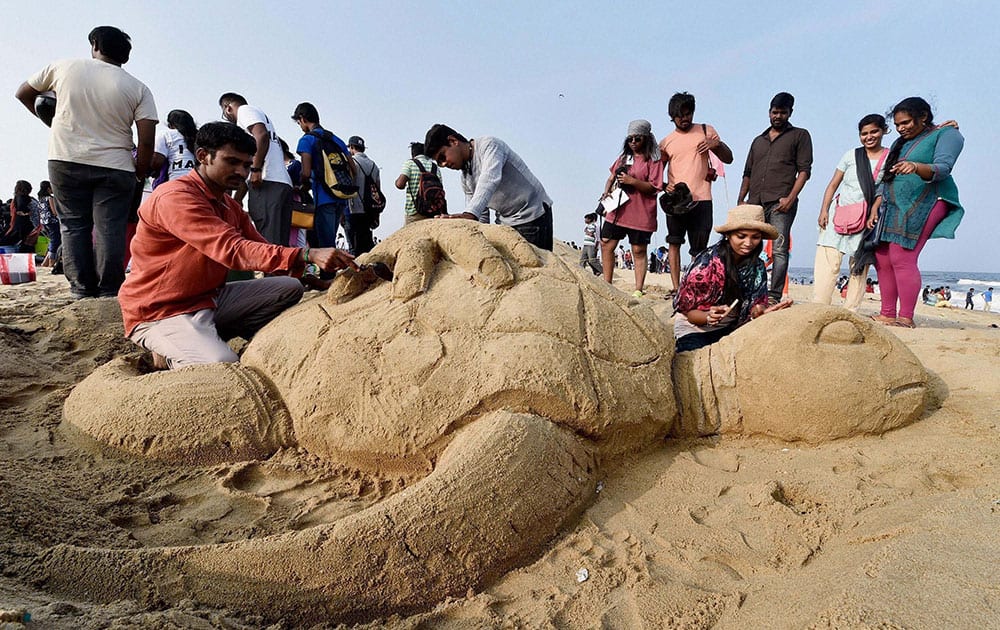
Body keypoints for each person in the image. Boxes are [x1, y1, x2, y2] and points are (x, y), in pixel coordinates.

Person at [117, 122, 355, 370]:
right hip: (161, 310)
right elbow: (233, 249)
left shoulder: (229, 206)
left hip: (208, 299)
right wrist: (307, 253)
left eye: (246, 165)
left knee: (290, 287)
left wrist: (314, 278)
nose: (241, 172)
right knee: (221, 365)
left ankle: (205, 336)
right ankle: (169, 351)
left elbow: (259, 247)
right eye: (231, 162)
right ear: (202, 156)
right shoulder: (175, 198)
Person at [15, 25, 157, 298]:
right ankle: (109, 290)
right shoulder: (138, 88)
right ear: (125, 56)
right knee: (109, 228)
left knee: (73, 225)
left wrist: (52, 123)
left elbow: (23, 93)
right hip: (116, 165)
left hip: (66, 158)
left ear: (95, 45)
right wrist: (140, 171)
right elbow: (147, 138)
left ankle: (81, 289)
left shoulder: (63, 68)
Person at [870, 97, 964, 329]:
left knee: (903, 256)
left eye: (906, 123)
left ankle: (906, 317)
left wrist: (916, 167)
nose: (901, 128)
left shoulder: (947, 134)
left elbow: (943, 167)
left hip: (927, 200)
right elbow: (886, 178)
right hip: (893, 204)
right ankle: (887, 313)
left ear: (923, 117)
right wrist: (875, 207)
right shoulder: (899, 144)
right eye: (898, 124)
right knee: (882, 258)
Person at [673, 204, 792, 352]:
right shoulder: (705, 266)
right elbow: (689, 313)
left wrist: (761, 312)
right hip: (696, 328)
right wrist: (708, 316)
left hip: (735, 326)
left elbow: (756, 305)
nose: (748, 243)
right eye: (741, 236)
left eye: (755, 237)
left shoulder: (758, 267)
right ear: (728, 235)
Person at [424, 124, 553, 251]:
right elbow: (479, 215)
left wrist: (468, 215)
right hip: (506, 224)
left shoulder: (489, 145)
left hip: (532, 216)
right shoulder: (466, 178)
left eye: (442, 156)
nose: (444, 164)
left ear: (453, 141)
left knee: (534, 269)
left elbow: (490, 179)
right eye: (439, 163)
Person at [738, 92, 813, 303]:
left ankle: (774, 295)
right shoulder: (758, 141)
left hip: (781, 202)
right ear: (769, 112)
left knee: (780, 249)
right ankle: (748, 290)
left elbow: (804, 171)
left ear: (790, 113)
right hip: (755, 203)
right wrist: (741, 200)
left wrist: (790, 198)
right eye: (774, 112)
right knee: (748, 247)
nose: (778, 116)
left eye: (782, 112)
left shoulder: (800, 135)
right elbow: (747, 172)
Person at [813, 114, 890, 312]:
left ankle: (850, 310)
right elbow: (833, 184)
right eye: (864, 133)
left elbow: (885, 189)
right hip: (838, 213)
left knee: (859, 265)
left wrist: (874, 210)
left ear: (884, 131)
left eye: (874, 131)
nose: (869, 137)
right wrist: (823, 210)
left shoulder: (889, 157)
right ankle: (819, 307)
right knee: (828, 260)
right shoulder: (851, 156)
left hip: (866, 219)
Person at [659, 92, 734, 294]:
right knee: (673, 243)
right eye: (680, 115)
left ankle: (693, 286)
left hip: (702, 199)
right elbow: (657, 171)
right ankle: (676, 288)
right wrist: (665, 185)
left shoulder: (706, 130)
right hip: (677, 201)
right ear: (671, 116)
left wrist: (716, 145)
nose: (685, 118)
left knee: (698, 249)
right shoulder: (666, 142)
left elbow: (729, 158)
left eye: (688, 113)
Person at [597, 120, 664, 297]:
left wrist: (632, 181)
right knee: (606, 243)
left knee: (638, 250)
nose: (633, 142)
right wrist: (605, 192)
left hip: (641, 212)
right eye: (630, 139)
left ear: (647, 138)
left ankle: (638, 289)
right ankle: (607, 284)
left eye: (637, 138)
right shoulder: (623, 158)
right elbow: (611, 177)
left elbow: (655, 187)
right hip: (619, 208)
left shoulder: (654, 160)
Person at [219, 92, 293, 246]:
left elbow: (262, 135)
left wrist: (256, 170)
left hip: (267, 183)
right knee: (278, 243)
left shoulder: (245, 111)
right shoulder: (260, 117)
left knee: (268, 243)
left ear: (227, 108)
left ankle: (274, 271)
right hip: (279, 183)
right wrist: (237, 199)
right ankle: (279, 271)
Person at [291, 102, 353, 251]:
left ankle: (328, 275)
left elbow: (305, 173)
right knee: (331, 239)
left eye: (299, 123)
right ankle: (333, 273)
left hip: (323, 198)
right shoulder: (335, 139)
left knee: (325, 245)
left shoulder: (307, 140)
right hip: (341, 195)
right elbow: (353, 168)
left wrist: (303, 186)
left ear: (302, 119)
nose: (300, 126)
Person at [346, 136, 379, 255]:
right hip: (369, 209)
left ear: (352, 147)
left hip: (354, 208)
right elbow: (377, 190)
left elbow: (347, 183)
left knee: (354, 247)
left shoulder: (351, 161)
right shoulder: (374, 165)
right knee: (366, 245)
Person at [151, 109, 198, 186]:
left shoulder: (166, 134)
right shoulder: (200, 136)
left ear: (170, 125)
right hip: (200, 184)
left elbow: (157, 162)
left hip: (176, 183)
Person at [395, 142, 438, 226]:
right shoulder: (434, 167)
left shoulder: (410, 163)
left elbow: (400, 185)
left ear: (413, 154)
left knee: (410, 237)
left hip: (414, 211)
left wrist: (397, 182)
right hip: (432, 211)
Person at [3, 181, 41, 253]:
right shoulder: (26, 198)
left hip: (24, 224)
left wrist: (25, 213)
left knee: (23, 243)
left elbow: (20, 208)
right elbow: (21, 208)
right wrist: (26, 213)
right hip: (30, 224)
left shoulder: (20, 197)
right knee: (27, 244)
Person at [36, 181, 60, 267]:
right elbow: (54, 212)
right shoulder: (50, 198)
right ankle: (51, 262)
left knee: (52, 241)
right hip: (52, 222)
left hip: (44, 223)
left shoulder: (40, 199)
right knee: (55, 241)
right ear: (49, 189)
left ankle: (45, 262)